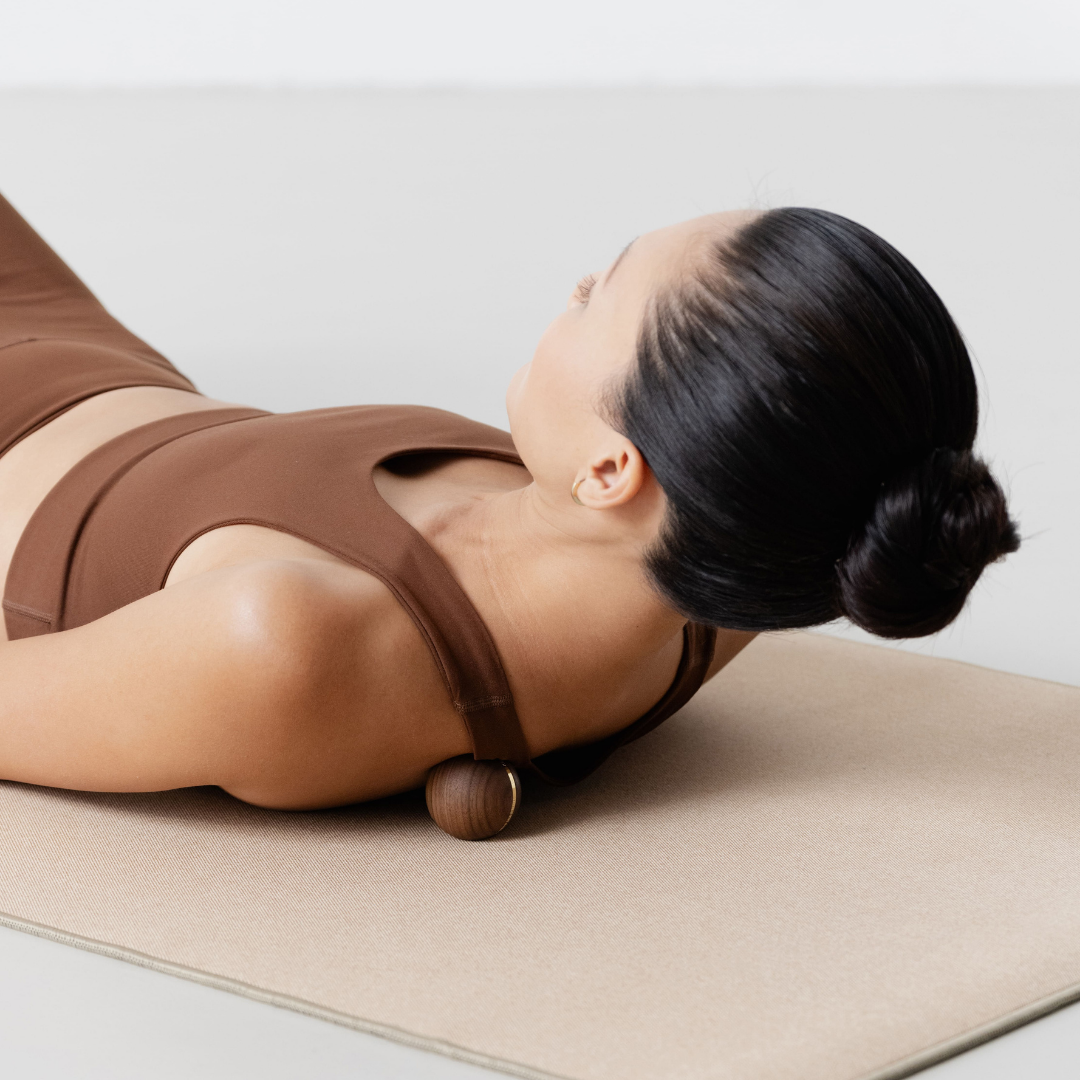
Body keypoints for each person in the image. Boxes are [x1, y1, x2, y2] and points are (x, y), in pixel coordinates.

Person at [0, 192, 1018, 828]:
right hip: (93, 352)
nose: (575, 281)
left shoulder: (291, 649)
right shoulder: (746, 556)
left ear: (615, 470)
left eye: (601, 293)